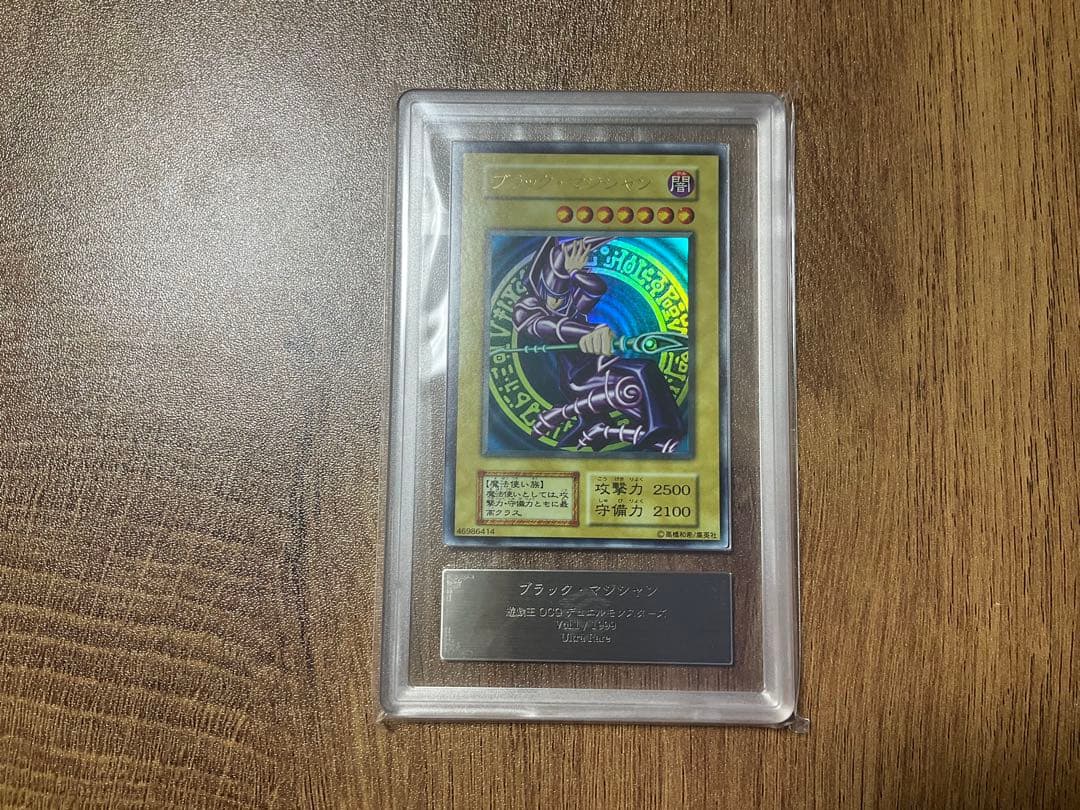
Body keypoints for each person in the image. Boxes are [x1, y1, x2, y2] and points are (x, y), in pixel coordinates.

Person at [512, 237, 685, 452]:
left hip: (597, 365)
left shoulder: (570, 303)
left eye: (562, 297)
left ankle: (654, 429)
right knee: (639, 374)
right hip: (578, 377)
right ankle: (659, 429)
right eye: (553, 297)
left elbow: (596, 289)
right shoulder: (527, 308)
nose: (558, 303)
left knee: (641, 374)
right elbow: (548, 327)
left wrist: (575, 273)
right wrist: (588, 332)